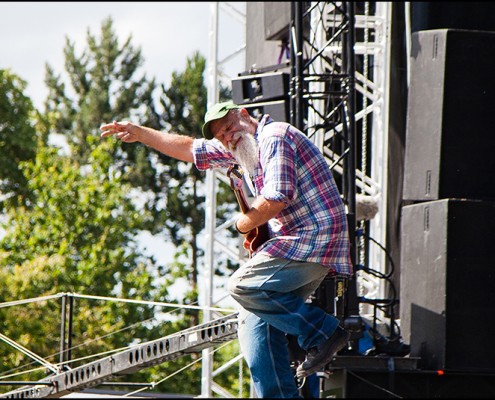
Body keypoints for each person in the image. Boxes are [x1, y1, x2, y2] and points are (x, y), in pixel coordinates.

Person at [100, 101, 353, 398]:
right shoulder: (239, 149)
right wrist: (140, 133)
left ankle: (322, 332)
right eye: (221, 136)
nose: (229, 138)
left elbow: (276, 198)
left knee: (241, 285)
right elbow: (189, 148)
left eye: (231, 128)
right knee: (253, 330)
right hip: (291, 244)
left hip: (314, 240)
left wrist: (243, 224)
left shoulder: (274, 137)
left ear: (245, 116)